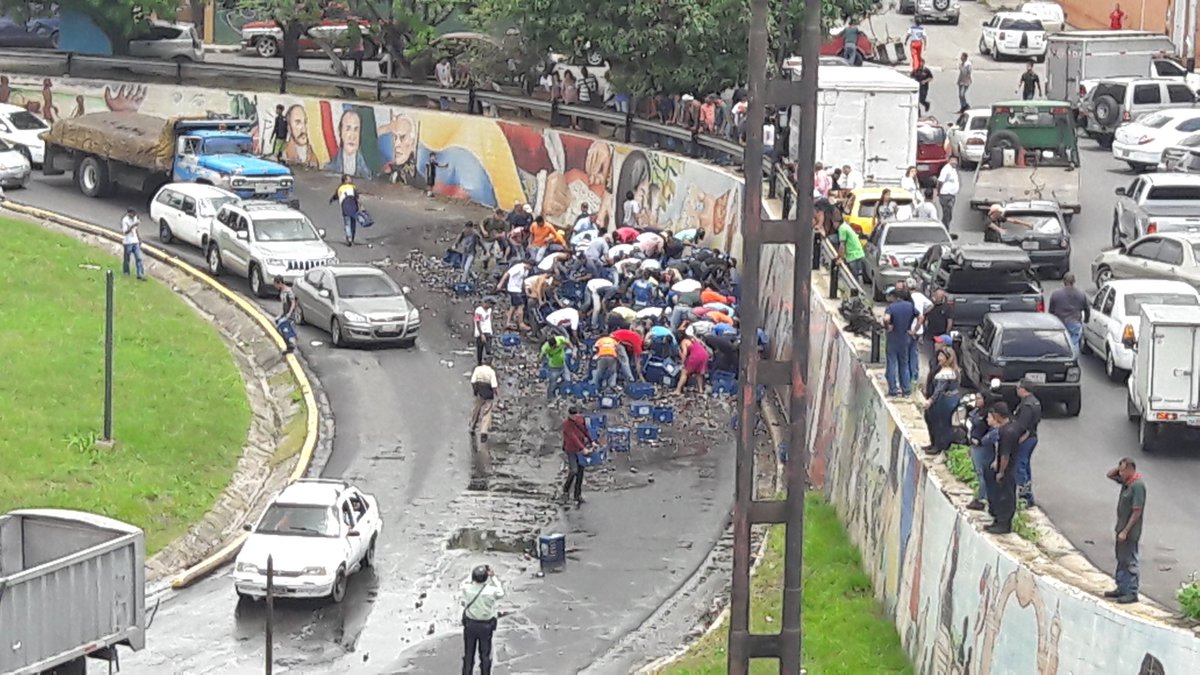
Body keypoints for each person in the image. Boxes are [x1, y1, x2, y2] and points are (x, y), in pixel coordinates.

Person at [1104, 457, 1145, 604]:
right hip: (1120, 528)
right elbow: (1109, 475)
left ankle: (1131, 592)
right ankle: (1121, 587)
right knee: (1121, 559)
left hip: (1130, 532)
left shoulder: (1137, 486)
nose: (1120, 473)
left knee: (1130, 561)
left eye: (1123, 470)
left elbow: (1137, 511)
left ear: (1130, 470)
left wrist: (1126, 531)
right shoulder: (1127, 482)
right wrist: (1119, 468)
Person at [461, 564, 504, 675]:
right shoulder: (491, 591)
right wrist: (493, 577)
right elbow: (501, 592)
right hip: (486, 625)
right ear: (486, 577)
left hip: (470, 624)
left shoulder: (467, 588)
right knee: (485, 654)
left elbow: (464, 584)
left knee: (469, 654)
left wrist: (472, 575)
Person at [987, 402, 1020, 535]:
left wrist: (1001, 472)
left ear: (997, 415)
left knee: (1005, 497)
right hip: (1009, 466)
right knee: (1002, 495)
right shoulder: (1013, 425)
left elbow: (1005, 455)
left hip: (1007, 469)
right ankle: (998, 521)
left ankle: (1003, 524)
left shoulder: (1006, 432)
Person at [922, 347, 961, 455]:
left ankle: (939, 446)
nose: (939, 358)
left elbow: (939, 390)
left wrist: (930, 400)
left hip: (944, 402)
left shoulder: (946, 373)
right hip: (949, 400)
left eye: (941, 356)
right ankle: (934, 444)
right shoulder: (952, 371)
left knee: (940, 423)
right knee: (936, 422)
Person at [966, 390, 998, 511]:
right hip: (974, 446)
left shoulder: (987, 415)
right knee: (978, 471)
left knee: (982, 473)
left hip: (982, 448)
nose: (977, 401)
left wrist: (981, 441)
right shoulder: (976, 411)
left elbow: (993, 431)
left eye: (979, 398)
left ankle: (982, 499)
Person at [1012, 380, 1042, 507]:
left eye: (1018, 387)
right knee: (1025, 466)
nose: (1017, 390)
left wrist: (1018, 440)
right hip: (1032, 438)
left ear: (1023, 389)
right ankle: (1028, 495)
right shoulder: (1035, 402)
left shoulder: (1026, 405)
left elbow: (1023, 426)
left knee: (1020, 467)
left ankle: (1026, 497)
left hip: (1026, 439)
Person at [883, 286, 917, 397]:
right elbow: (921, 316)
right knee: (904, 364)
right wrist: (914, 330)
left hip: (893, 338)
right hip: (905, 338)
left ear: (895, 297)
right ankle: (906, 389)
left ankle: (893, 389)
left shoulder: (892, 307)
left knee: (892, 363)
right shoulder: (910, 306)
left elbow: (886, 319)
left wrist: (887, 327)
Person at [1049, 273, 1090, 356]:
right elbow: (1087, 309)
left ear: (1064, 281)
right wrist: (1086, 320)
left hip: (1060, 323)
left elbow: (1051, 311)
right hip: (1075, 323)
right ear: (1074, 281)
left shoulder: (1056, 294)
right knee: (1073, 344)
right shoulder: (1081, 294)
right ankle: (1073, 360)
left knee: (1060, 343)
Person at [560, 406, 593, 505]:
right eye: (572, 415)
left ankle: (577, 495)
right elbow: (573, 437)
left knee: (580, 471)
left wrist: (592, 441)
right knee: (573, 470)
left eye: (575, 415)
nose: (574, 417)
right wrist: (583, 448)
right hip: (571, 449)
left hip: (580, 449)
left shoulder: (580, 420)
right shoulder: (566, 425)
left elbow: (585, 430)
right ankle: (565, 491)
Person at [496, 261, 532, 331]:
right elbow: (507, 273)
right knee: (521, 305)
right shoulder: (518, 267)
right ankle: (521, 323)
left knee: (513, 306)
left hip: (518, 289)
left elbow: (523, 280)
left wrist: (526, 290)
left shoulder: (526, 271)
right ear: (528, 264)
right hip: (513, 288)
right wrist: (500, 284)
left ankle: (508, 322)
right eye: (530, 267)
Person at [469, 357, 498, 442]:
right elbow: (494, 386)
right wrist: (497, 394)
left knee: (476, 410)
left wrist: (475, 390)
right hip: (488, 393)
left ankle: (472, 426)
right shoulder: (491, 372)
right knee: (487, 412)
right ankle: (483, 431)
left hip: (480, 391)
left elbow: (473, 381)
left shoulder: (478, 369)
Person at [329, 175, 361, 247]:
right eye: (349, 179)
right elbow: (357, 197)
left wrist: (331, 200)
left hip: (345, 207)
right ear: (345, 180)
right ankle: (352, 238)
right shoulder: (353, 187)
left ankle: (349, 238)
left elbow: (335, 196)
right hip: (353, 207)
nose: (351, 180)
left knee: (347, 224)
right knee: (353, 224)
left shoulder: (340, 188)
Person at [541, 334, 573, 399]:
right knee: (552, 383)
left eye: (556, 346)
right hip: (554, 368)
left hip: (563, 365)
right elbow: (541, 357)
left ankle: (563, 390)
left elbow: (567, 342)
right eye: (553, 347)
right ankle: (550, 397)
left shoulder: (560, 339)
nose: (555, 347)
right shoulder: (545, 348)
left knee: (568, 379)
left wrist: (572, 349)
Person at [273, 275, 299, 354]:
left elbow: (293, 303)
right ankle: (289, 343)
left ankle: (290, 344)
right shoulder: (282, 291)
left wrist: (289, 313)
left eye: (276, 284)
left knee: (280, 327)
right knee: (278, 324)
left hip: (289, 314)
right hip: (284, 313)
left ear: (280, 283)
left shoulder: (288, 291)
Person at [120, 208, 145, 280]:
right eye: (132, 214)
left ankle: (140, 274)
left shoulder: (135, 218)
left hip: (135, 241)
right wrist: (132, 226)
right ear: (129, 213)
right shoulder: (125, 220)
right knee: (127, 259)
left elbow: (136, 229)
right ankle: (126, 272)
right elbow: (125, 232)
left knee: (139, 258)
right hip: (128, 242)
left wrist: (139, 238)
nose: (134, 215)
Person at [935, 156, 959, 228]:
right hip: (945, 195)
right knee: (947, 215)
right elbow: (940, 182)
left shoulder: (953, 169)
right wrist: (939, 192)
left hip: (951, 195)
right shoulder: (946, 169)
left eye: (956, 161)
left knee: (948, 215)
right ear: (949, 161)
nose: (954, 162)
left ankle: (945, 229)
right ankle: (944, 229)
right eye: (952, 160)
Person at [473, 298, 494, 366]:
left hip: (488, 331)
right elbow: (477, 322)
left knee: (488, 349)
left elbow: (490, 319)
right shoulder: (478, 311)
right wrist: (481, 334)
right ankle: (479, 363)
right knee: (480, 350)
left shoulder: (489, 310)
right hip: (480, 332)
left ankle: (488, 364)